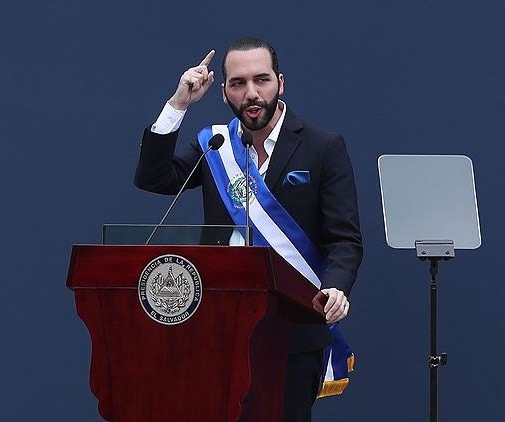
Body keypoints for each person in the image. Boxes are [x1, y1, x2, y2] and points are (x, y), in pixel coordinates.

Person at [135, 37, 362, 421]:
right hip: (222, 328)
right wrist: (178, 105)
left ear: (281, 83)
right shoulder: (215, 145)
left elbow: (345, 239)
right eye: (238, 84)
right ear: (224, 93)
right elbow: (154, 178)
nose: (252, 93)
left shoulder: (322, 147)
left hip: (295, 329)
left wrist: (336, 286)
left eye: (262, 80)